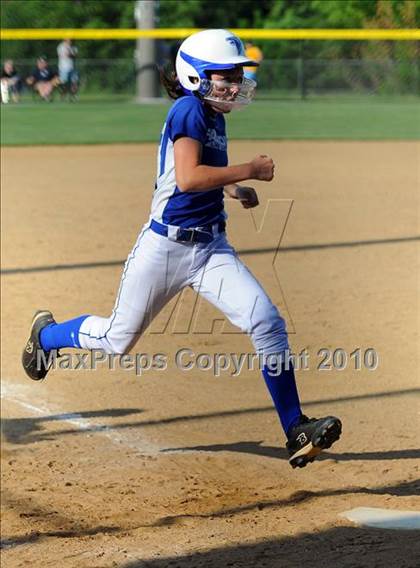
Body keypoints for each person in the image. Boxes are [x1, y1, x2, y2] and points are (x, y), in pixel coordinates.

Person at [22, 29, 341, 469]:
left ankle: (295, 428)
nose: (233, 83)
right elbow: (189, 179)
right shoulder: (189, 110)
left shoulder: (214, 116)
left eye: (236, 75)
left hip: (211, 248)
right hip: (165, 248)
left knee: (266, 321)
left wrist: (235, 187)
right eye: (223, 75)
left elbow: (198, 174)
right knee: (118, 340)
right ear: (194, 77)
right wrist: (250, 169)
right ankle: (47, 336)